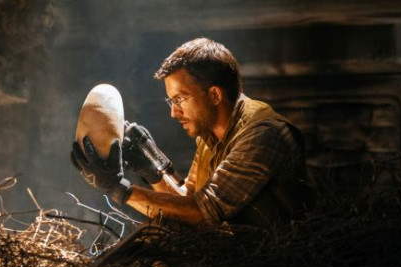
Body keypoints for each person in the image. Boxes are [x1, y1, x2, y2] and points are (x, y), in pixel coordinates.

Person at [71, 37, 314, 227]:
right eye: (171, 101)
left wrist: (119, 189)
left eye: (180, 99)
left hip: (277, 263)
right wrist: (152, 167)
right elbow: (187, 201)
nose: (173, 112)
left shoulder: (263, 135)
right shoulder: (209, 137)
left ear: (215, 95)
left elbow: (203, 213)